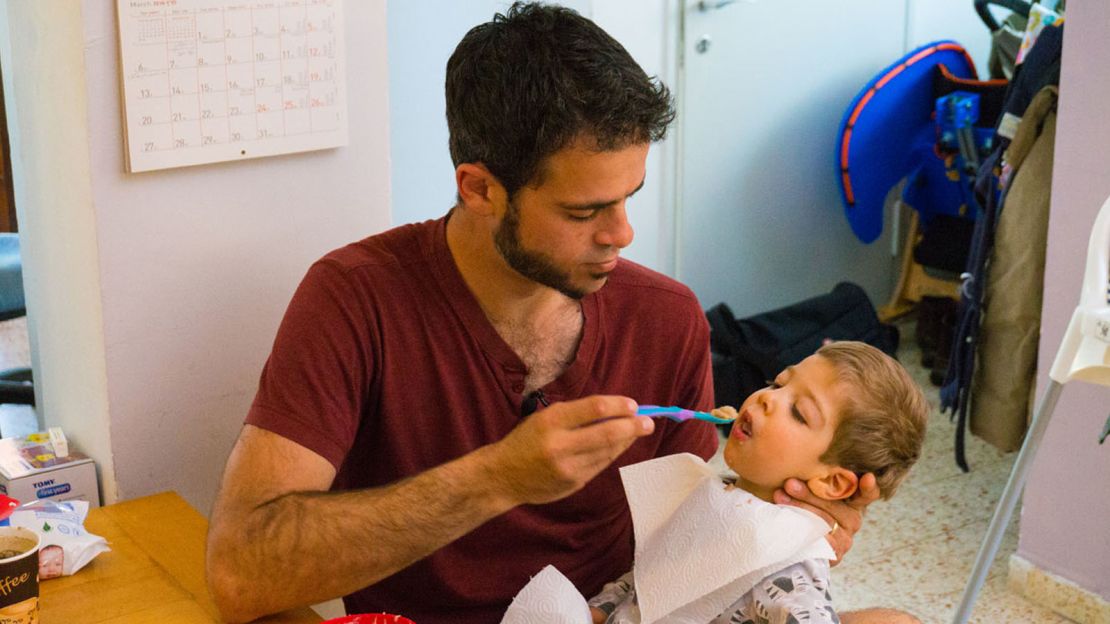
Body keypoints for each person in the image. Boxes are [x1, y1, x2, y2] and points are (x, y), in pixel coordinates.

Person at [205, 4, 878, 623]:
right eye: (584, 212)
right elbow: (239, 574)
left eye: (629, 198)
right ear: (480, 188)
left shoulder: (667, 319)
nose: (622, 233)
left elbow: (690, 539)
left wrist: (793, 526)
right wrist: (498, 477)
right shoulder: (354, 299)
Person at [587, 341, 929, 624]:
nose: (767, 398)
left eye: (799, 413)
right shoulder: (716, 494)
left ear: (832, 482)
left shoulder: (791, 568)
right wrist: (600, 609)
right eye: (778, 384)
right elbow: (650, 578)